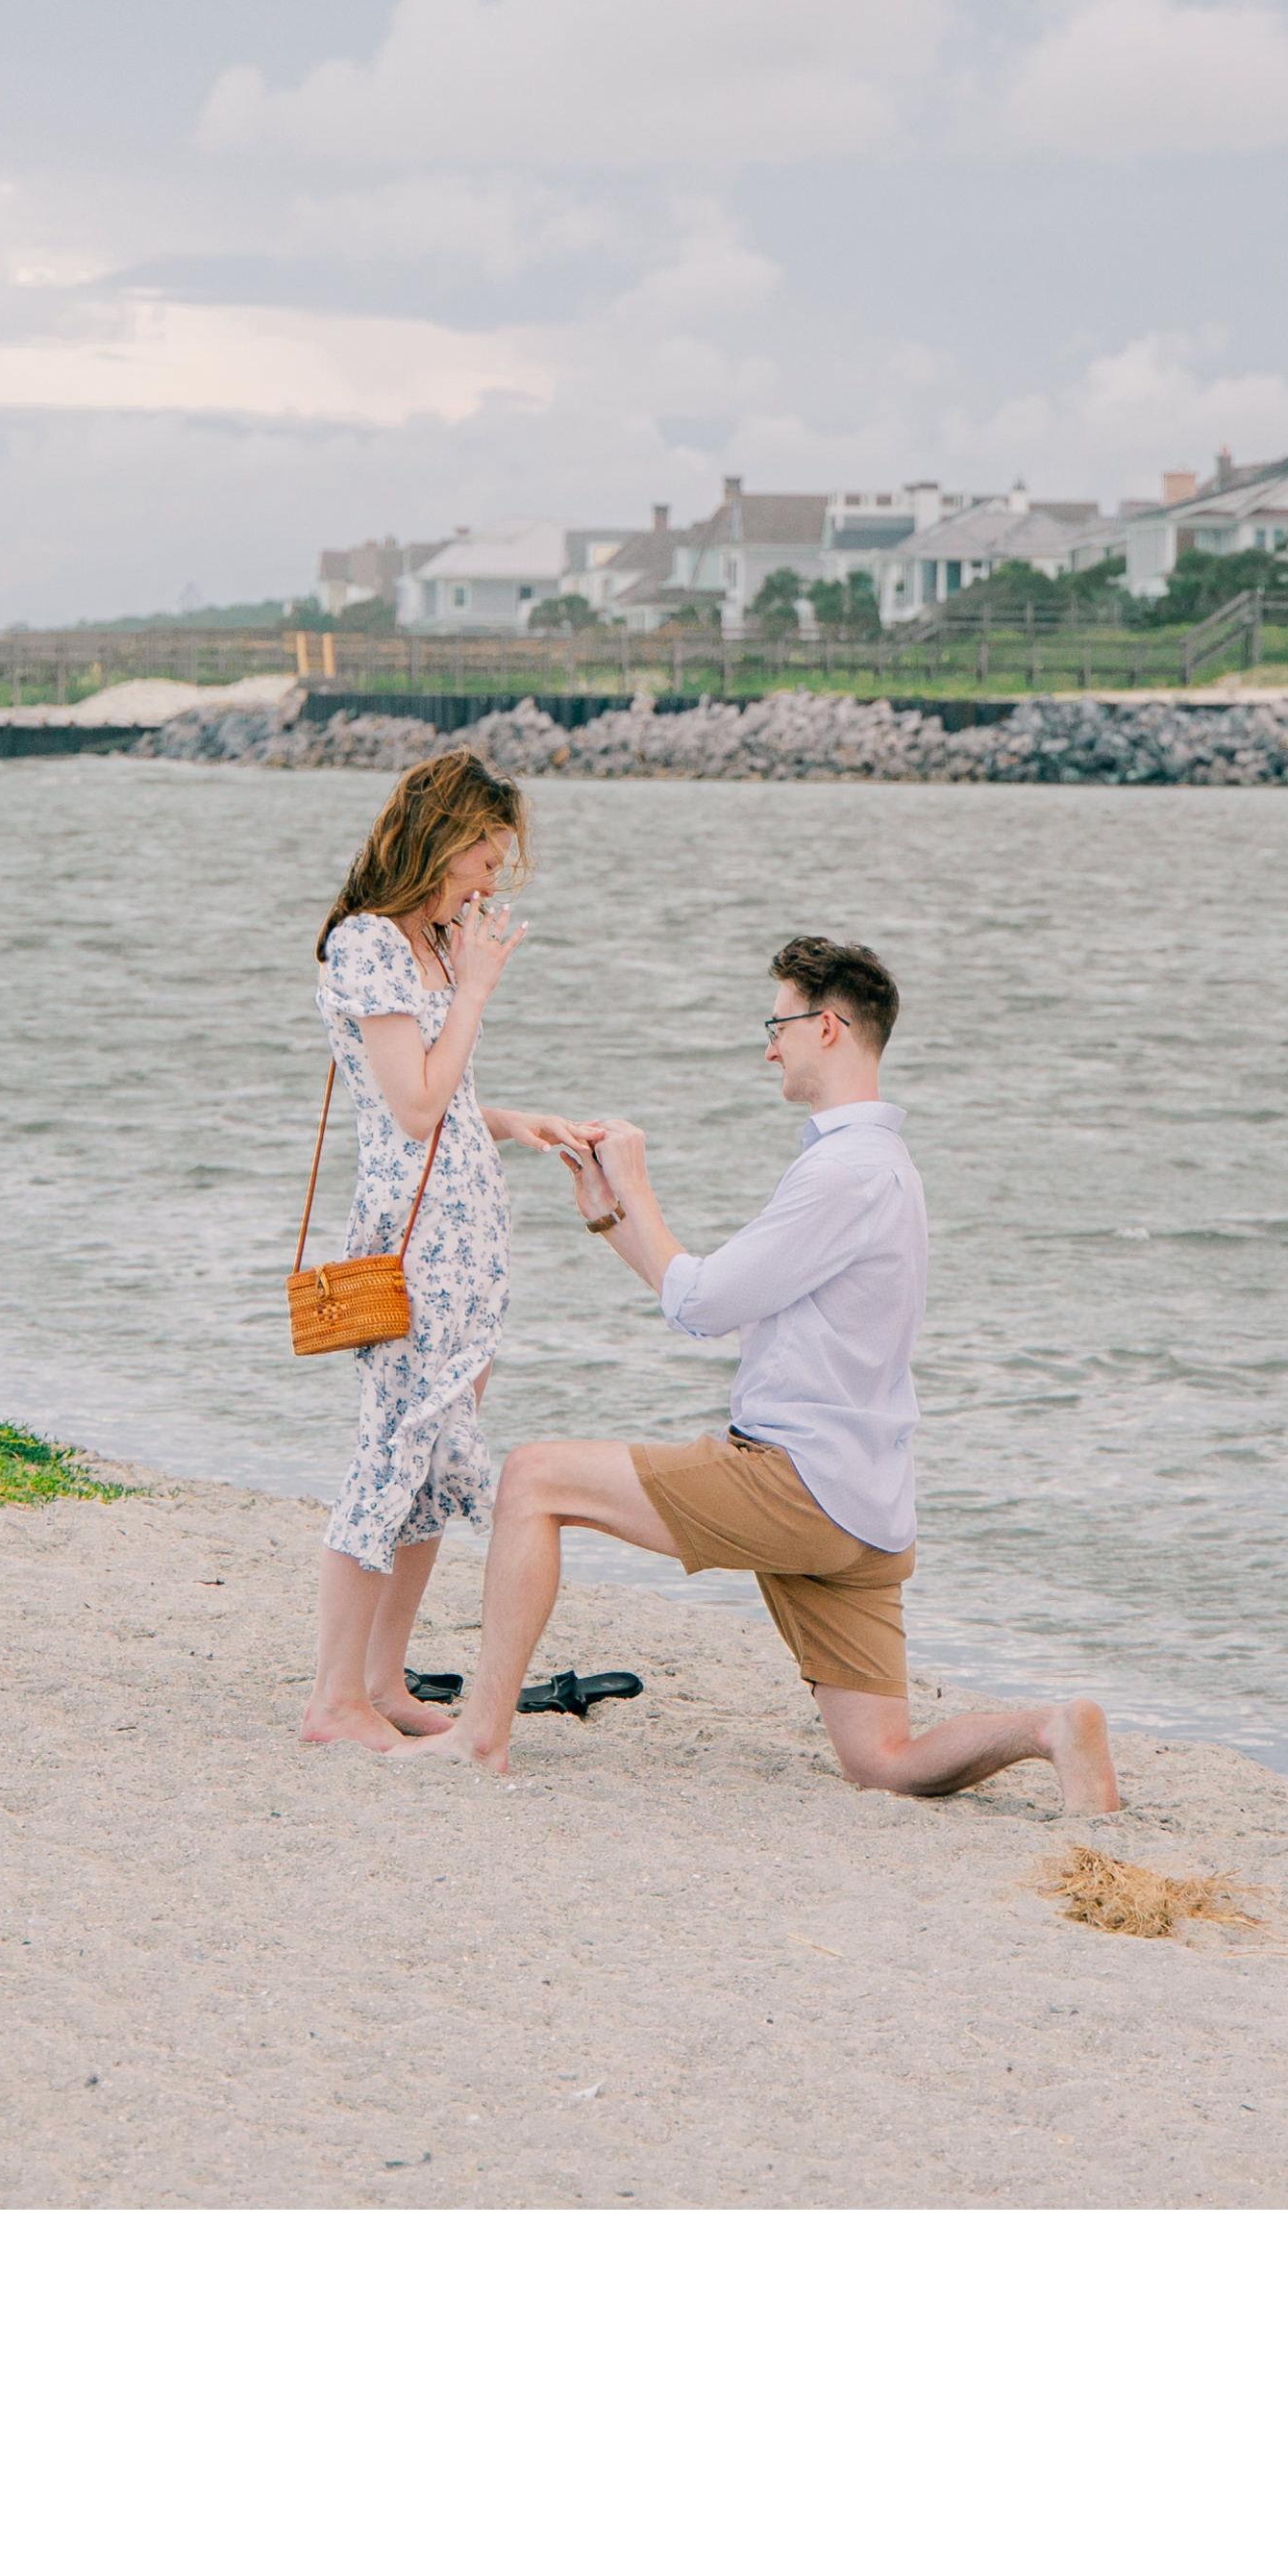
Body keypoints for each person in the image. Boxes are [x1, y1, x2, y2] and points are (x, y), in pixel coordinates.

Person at [404, 930, 1117, 1810]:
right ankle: (1047, 1729)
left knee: (533, 1477)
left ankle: (479, 1736)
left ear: (829, 1027)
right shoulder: (881, 1165)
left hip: (796, 1481)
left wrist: (639, 1182)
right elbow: (699, 1292)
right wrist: (608, 1213)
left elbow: (703, 1305)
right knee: (881, 1760)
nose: (767, 1043)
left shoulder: (843, 1172)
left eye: (776, 1022)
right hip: (866, 1503)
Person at [299, 750, 591, 1753]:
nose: (491, 880)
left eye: (500, 862)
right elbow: (413, 1109)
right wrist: (474, 990)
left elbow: (446, 1096)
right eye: (482, 856)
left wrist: (513, 1121)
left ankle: (381, 1679)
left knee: (425, 1465)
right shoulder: (371, 945)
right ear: (438, 838)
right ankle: (332, 1700)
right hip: (415, 1243)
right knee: (387, 1457)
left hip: (469, 1242)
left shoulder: (427, 943)